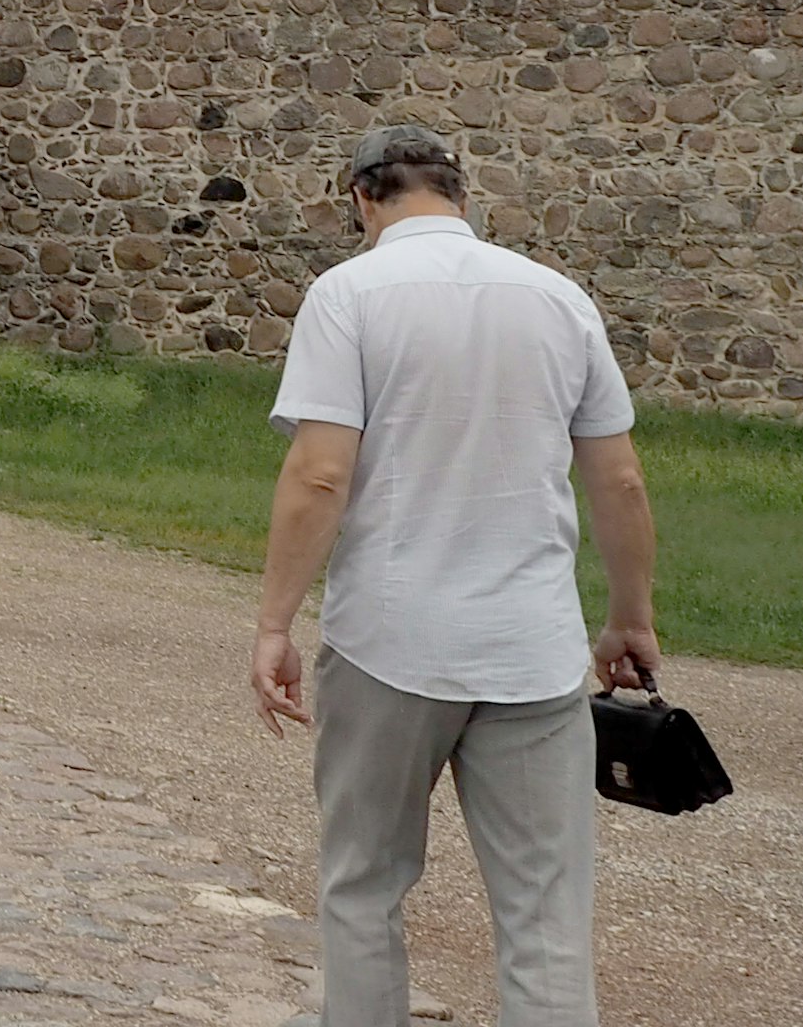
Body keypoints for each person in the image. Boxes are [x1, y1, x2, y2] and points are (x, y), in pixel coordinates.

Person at [250, 125, 657, 1027]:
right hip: (533, 648)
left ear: (359, 198)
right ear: (463, 196)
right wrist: (630, 616)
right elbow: (619, 478)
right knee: (547, 917)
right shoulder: (558, 299)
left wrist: (275, 622)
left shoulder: (347, 294)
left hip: (389, 640)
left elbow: (321, 474)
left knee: (363, 889)